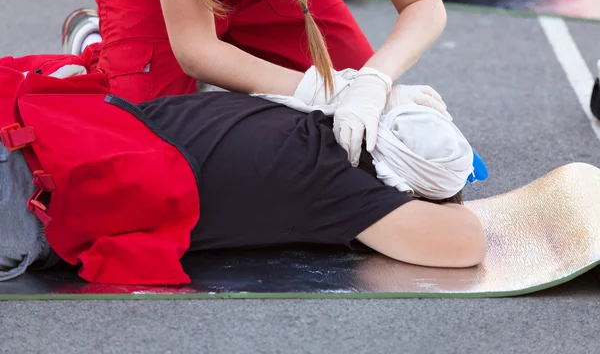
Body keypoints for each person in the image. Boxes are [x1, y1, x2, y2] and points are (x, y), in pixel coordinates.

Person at [0, 73, 486, 282]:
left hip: (38, 133)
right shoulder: (336, 187)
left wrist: (382, 89)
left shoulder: (302, 106)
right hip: (37, 198)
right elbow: (465, 244)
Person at [61, 0, 448, 167]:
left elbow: (422, 2)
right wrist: (335, 90)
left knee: (378, 141)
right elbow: (196, 50)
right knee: (147, 167)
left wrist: (374, 82)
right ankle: (100, 44)